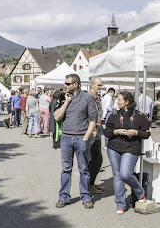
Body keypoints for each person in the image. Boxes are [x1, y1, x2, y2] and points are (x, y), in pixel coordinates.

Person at [54, 74, 98, 209]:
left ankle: (85, 196)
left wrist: (86, 137)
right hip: (66, 138)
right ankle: (63, 197)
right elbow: (57, 117)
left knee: (84, 169)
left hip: (81, 138)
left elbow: (93, 119)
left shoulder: (87, 98)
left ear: (76, 84)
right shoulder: (63, 98)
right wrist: (66, 102)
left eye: (68, 84)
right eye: (65, 83)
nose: (65, 86)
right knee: (66, 169)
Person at [103, 90, 150, 214]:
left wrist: (136, 132)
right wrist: (115, 131)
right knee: (117, 176)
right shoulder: (113, 115)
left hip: (131, 147)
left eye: (119, 100)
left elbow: (146, 133)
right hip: (114, 148)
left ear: (127, 102)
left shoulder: (140, 116)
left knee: (125, 174)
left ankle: (140, 193)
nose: (116, 102)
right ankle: (120, 204)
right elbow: (106, 131)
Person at [88, 77, 105, 194]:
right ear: (92, 85)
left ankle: (91, 183)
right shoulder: (88, 98)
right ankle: (89, 185)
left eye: (101, 85)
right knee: (94, 159)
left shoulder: (97, 98)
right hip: (91, 131)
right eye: (98, 85)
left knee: (97, 159)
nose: (100, 87)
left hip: (97, 129)